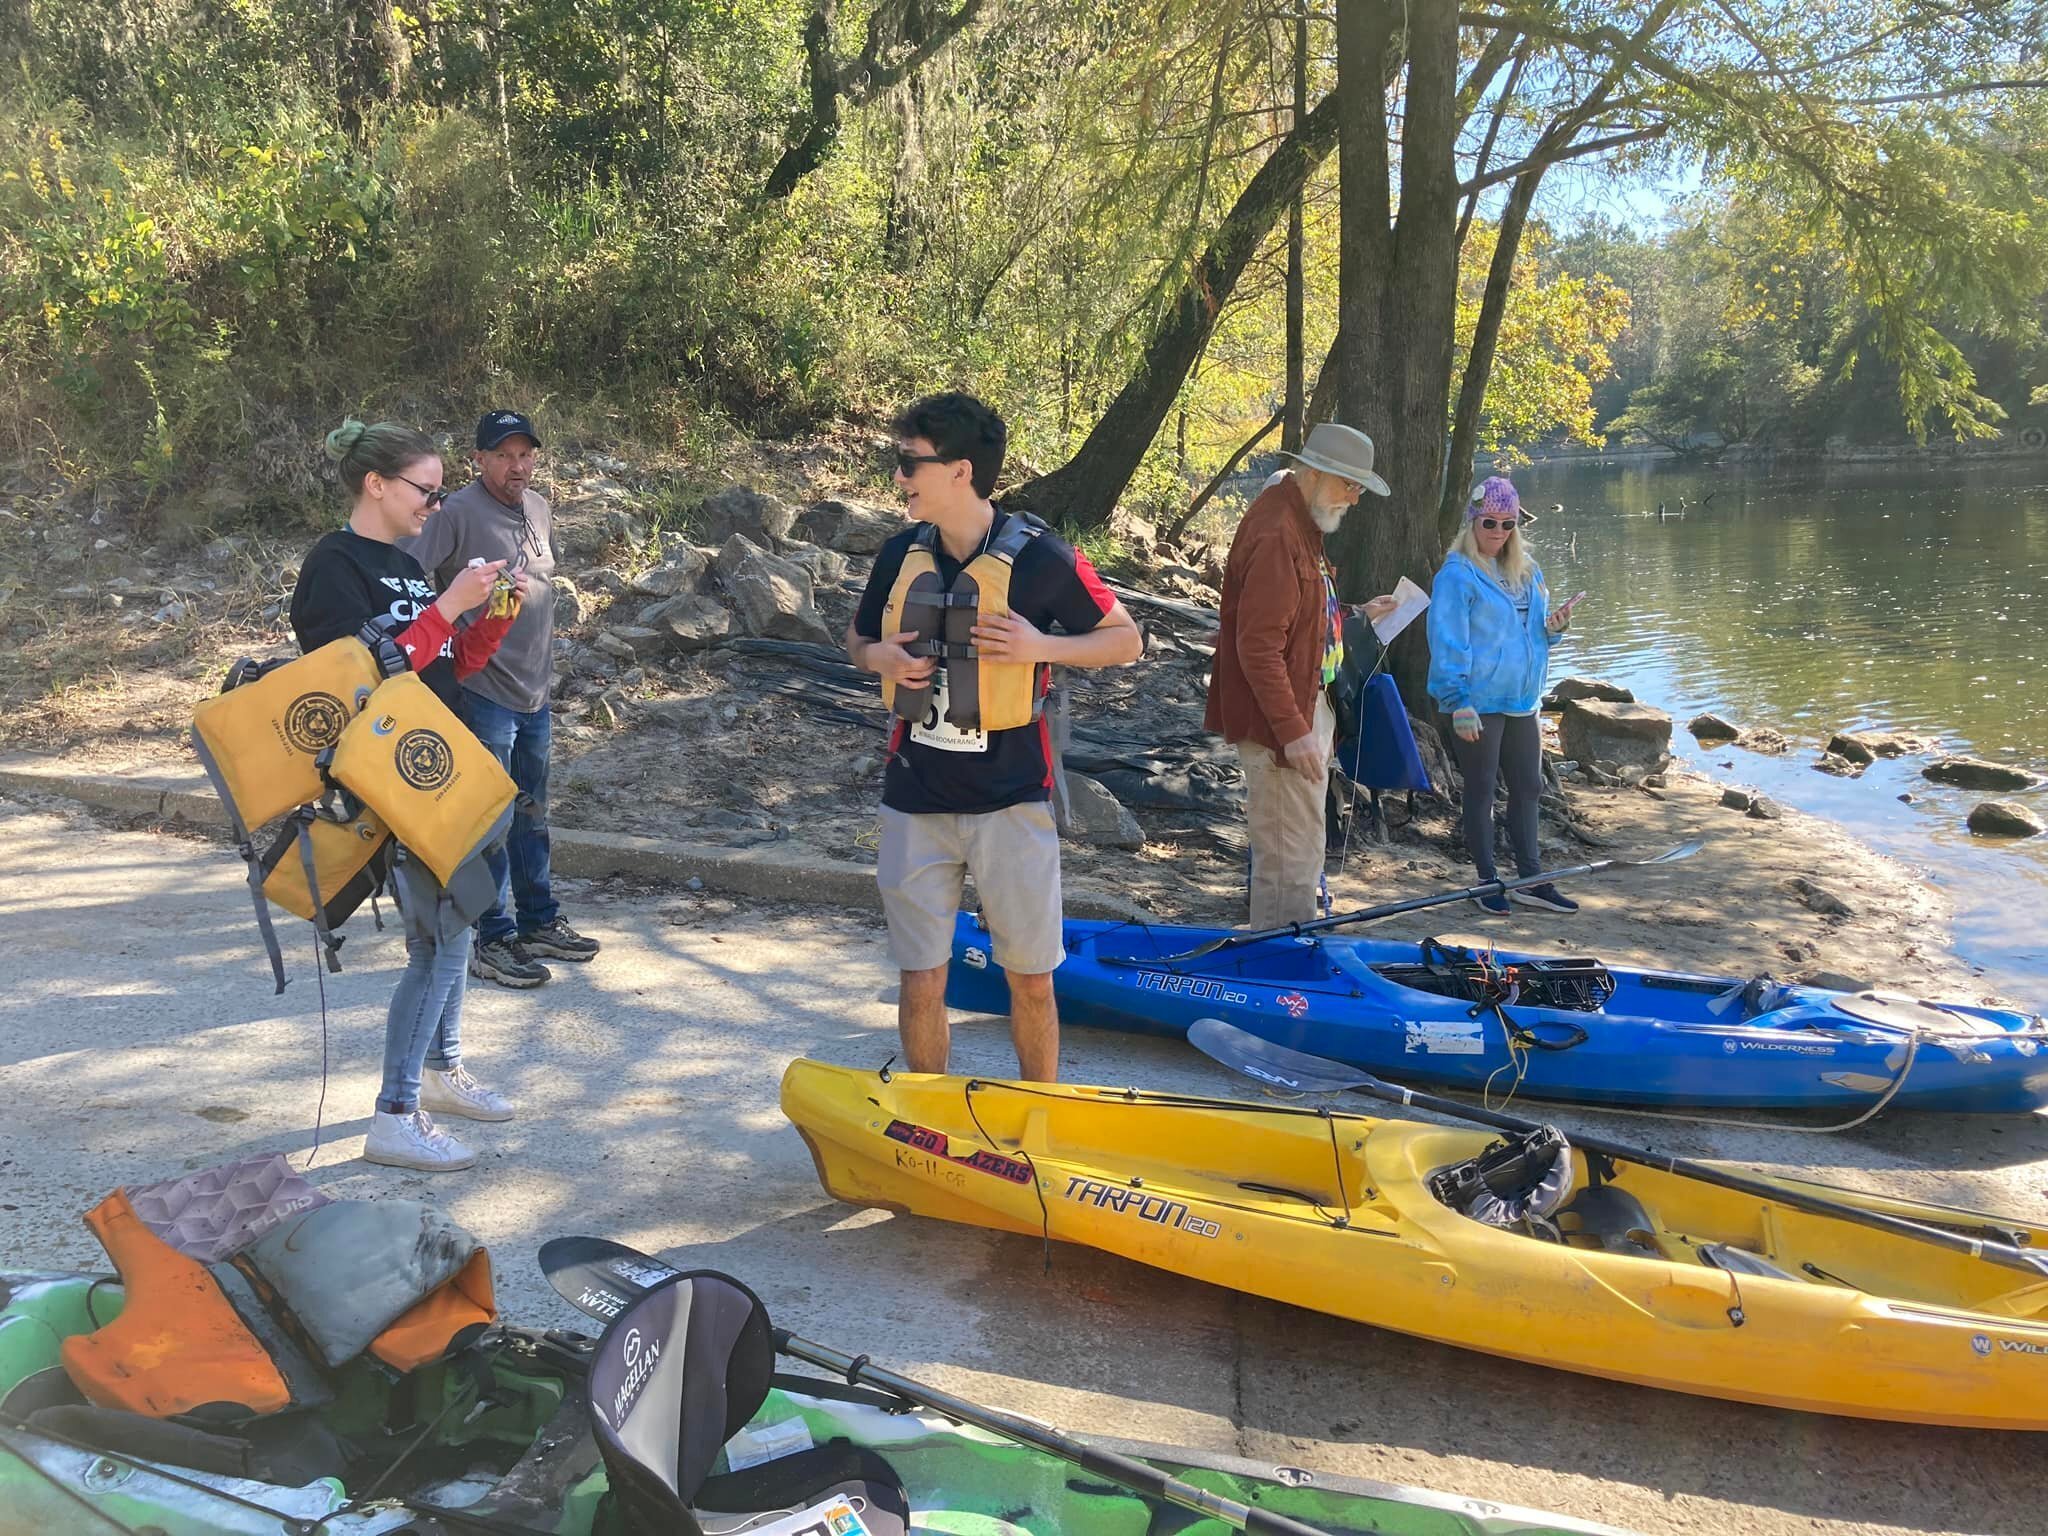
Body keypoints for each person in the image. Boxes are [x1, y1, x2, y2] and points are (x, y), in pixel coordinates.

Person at [847, 392, 1142, 1081]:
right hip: (913, 798)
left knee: (1031, 979)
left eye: (908, 461)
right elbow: (858, 639)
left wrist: (1042, 643)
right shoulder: (899, 554)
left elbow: (1126, 639)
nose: (898, 477)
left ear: (960, 472)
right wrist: (877, 658)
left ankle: (1040, 1121)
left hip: (1011, 803)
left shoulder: (1041, 559)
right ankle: (927, 1123)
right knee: (922, 978)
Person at [290, 418, 528, 1171]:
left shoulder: (402, 565)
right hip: (383, 773)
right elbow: (365, 676)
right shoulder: (332, 565)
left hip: (435, 761)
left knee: (461, 917)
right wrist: (451, 605)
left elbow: (443, 667)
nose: (436, 505)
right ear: (377, 485)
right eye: (427, 491)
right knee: (437, 938)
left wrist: (489, 620)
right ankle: (396, 1113)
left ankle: (440, 1071)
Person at [402, 409, 600, 990]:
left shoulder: (538, 507)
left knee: (531, 811)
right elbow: (409, 578)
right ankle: (493, 937)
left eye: (525, 454)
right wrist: (452, 635)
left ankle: (538, 920)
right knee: (489, 819)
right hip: (481, 689)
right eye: (504, 455)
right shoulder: (457, 511)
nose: (517, 466)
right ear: (480, 460)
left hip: (535, 688)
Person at [1206, 422, 1396, 928]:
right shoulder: (1276, 532)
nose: (1354, 498)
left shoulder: (1300, 518)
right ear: (1314, 472)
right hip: (1282, 721)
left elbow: (1297, 618)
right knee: (1290, 856)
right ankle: (1281, 973)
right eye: (1348, 484)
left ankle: (1282, 956)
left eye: (1359, 488)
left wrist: (1354, 614)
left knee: (1300, 847)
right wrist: (1293, 733)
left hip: (1302, 706)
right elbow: (1258, 647)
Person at [1426, 475, 1574, 916]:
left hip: (1522, 700)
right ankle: (1487, 880)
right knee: (1482, 789)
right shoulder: (1455, 575)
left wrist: (1555, 630)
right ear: (1473, 522)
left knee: (1529, 785)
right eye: (1489, 522)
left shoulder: (1528, 571)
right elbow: (1448, 640)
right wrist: (1458, 702)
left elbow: (1536, 634)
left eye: (1508, 523)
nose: (1498, 532)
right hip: (1477, 704)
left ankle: (1532, 878)